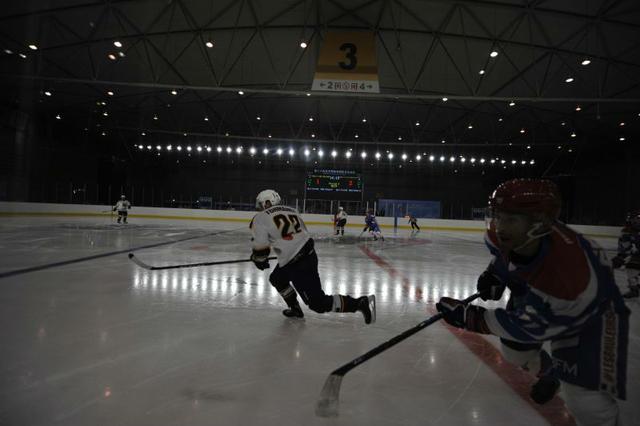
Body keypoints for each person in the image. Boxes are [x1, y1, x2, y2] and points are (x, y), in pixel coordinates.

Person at [435, 179, 629, 426]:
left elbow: (530, 327)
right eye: (499, 216)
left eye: (512, 219)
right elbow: (506, 257)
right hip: (539, 292)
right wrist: (496, 275)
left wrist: (472, 318)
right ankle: (548, 372)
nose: (501, 227)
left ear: (541, 223)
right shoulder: (508, 237)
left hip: (593, 316)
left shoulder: (572, 274)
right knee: (515, 352)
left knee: (586, 400)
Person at [249, 189, 375, 323]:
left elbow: (261, 248)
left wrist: (258, 259)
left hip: (297, 264)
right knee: (277, 278)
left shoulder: (260, 218)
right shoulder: (291, 210)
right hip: (307, 254)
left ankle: (360, 303)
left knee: (318, 304)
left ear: (268, 202)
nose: (259, 207)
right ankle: (295, 308)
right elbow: (302, 233)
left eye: (261, 203)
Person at [612, 210, 640, 298]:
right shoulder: (627, 232)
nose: (637, 222)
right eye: (635, 219)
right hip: (634, 255)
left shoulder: (630, 231)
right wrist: (621, 256)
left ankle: (635, 288)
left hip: (635, 255)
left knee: (632, 268)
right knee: (632, 268)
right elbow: (625, 247)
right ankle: (634, 288)